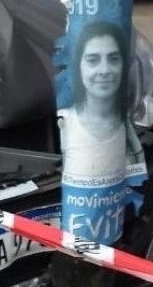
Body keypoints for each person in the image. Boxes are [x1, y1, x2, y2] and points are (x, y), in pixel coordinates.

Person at [58, 21, 145, 192]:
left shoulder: (128, 125)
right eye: (93, 60)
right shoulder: (63, 123)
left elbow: (138, 183)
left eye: (113, 59)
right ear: (78, 66)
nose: (104, 70)